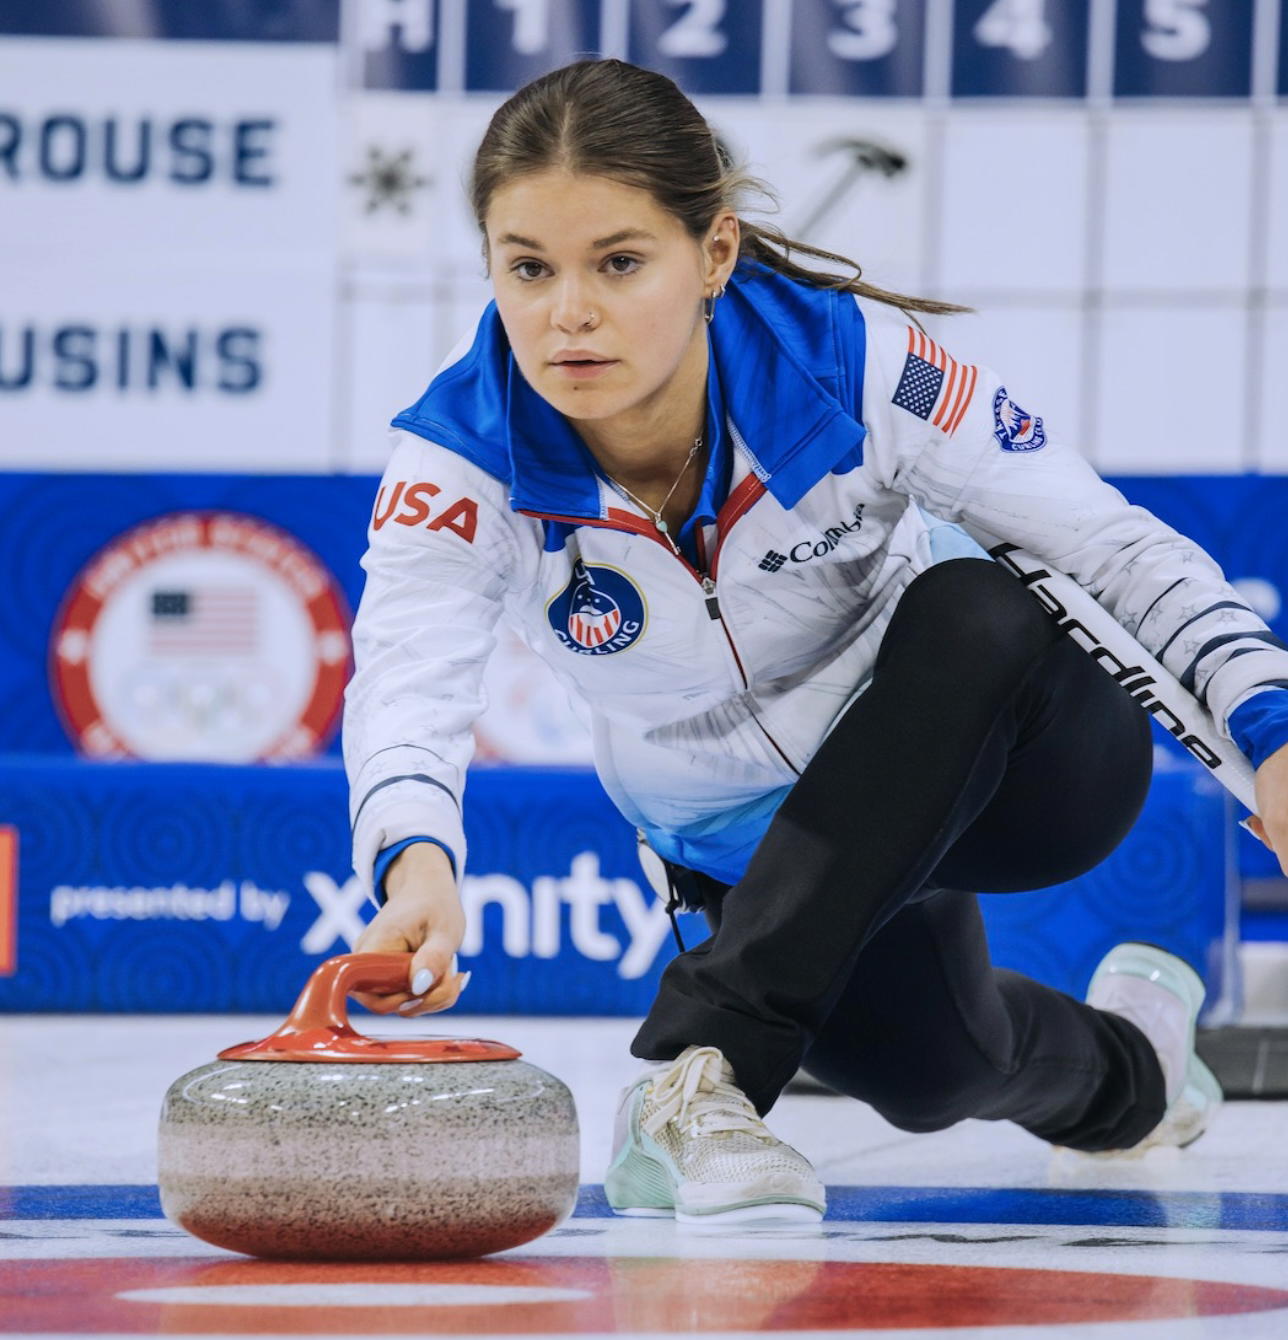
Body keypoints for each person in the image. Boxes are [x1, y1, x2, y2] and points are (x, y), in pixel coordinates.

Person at [345, 58, 1288, 1226]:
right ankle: (1135, 1070)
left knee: (978, 602)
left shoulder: (856, 365)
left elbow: (1111, 547)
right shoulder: (460, 458)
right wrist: (415, 854)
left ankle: (700, 1072)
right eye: (526, 268)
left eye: (619, 262)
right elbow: (406, 671)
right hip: (761, 848)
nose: (567, 312)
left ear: (716, 255)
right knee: (937, 1071)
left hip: (1009, 760)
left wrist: (1273, 737)